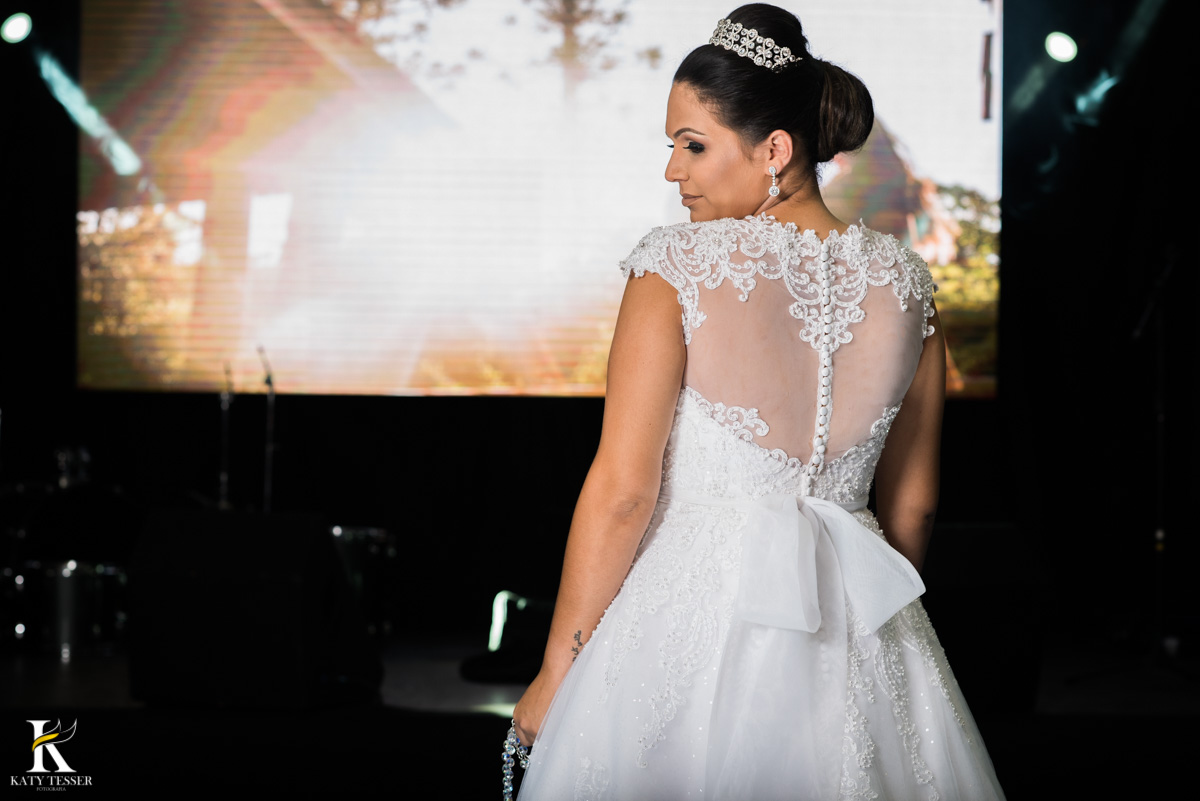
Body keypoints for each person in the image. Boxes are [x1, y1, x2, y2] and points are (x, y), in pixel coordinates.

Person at [509, 4, 1007, 799]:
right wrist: (874, 643)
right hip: (862, 630)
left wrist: (555, 668)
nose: (673, 172)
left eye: (693, 145)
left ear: (775, 150)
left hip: (686, 629)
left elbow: (625, 493)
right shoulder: (910, 286)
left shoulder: (673, 268)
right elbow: (912, 507)